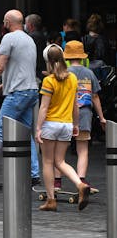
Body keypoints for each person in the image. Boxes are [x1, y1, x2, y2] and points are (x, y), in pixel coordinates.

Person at [0, 10, 41, 185]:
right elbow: (21, 69)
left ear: (7, 22)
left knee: (1, 129)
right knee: (23, 133)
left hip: (18, 93)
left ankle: (18, 170)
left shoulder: (8, 38)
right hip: (30, 91)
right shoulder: (29, 39)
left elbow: (0, 66)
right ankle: (33, 173)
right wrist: (2, 86)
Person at [35, 44, 91, 212]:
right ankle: (80, 184)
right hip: (66, 124)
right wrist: (75, 124)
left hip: (51, 124)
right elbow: (75, 105)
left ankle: (51, 200)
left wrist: (38, 128)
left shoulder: (49, 81)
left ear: (48, 62)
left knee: (48, 162)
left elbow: (44, 108)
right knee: (60, 161)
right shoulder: (72, 78)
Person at [63, 40, 106, 192]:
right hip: (85, 115)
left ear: (66, 57)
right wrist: (101, 117)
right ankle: (81, 181)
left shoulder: (64, 73)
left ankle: (56, 183)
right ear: (82, 57)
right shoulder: (89, 73)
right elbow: (95, 97)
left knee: (59, 152)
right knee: (83, 150)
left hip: (65, 115)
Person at [24, 14, 48, 80]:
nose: (25, 25)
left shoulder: (32, 37)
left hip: (36, 71)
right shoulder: (42, 35)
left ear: (30, 25)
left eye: (26, 23)